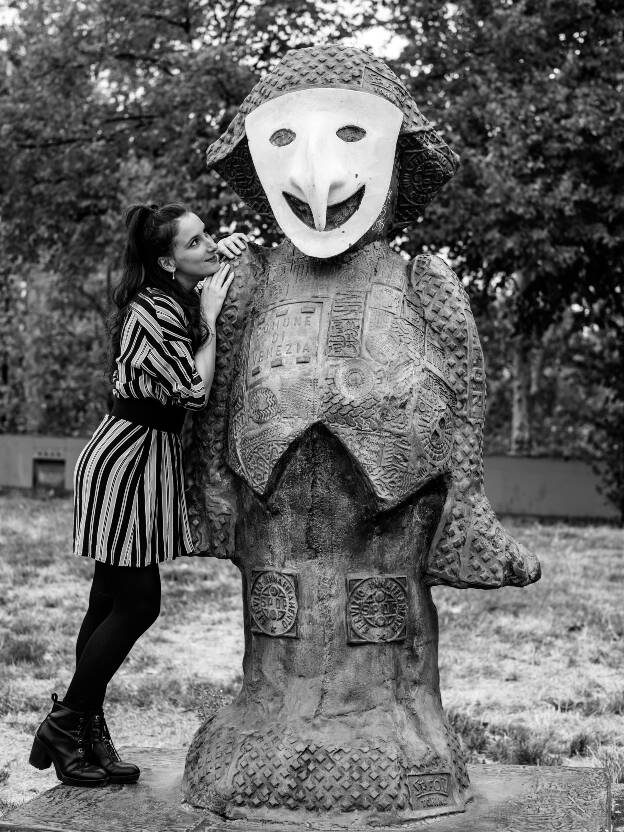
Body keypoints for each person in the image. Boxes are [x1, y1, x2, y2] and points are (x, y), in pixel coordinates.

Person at [29, 203, 249, 787]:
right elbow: (194, 390)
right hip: (126, 462)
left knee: (105, 603)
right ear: (164, 259)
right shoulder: (153, 310)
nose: (209, 245)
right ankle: (65, 722)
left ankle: (84, 731)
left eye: (207, 236)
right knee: (138, 605)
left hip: (144, 458)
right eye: (196, 241)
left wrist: (223, 253)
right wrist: (211, 314)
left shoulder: (170, 293)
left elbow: (214, 257)